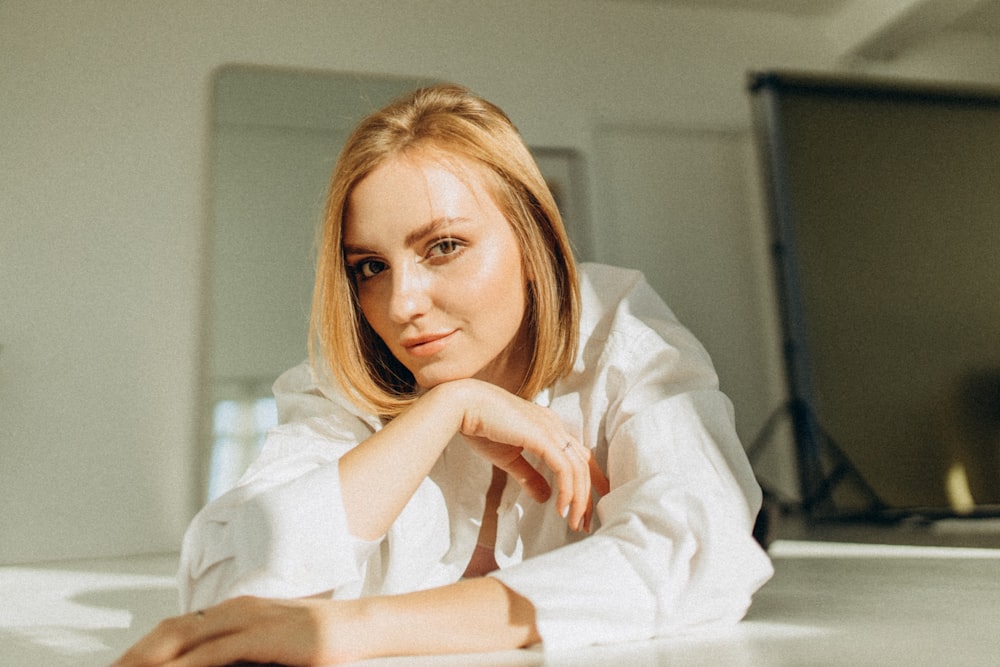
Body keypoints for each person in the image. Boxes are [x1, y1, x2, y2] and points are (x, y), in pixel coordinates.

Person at [115, 83, 772, 666]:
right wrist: (445, 409)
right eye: (369, 266)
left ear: (533, 235)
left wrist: (352, 628)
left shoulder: (622, 337)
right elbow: (224, 584)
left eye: (445, 246)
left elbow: (697, 555)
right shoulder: (341, 388)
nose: (400, 305)